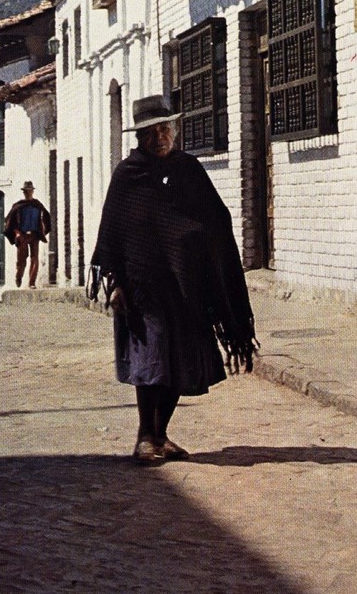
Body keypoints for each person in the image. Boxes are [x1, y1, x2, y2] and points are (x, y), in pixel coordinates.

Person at [91, 95, 258, 464]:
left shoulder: (188, 170)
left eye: (166, 129)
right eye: (151, 132)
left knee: (180, 361)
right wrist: (116, 282)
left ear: (175, 130)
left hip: (187, 285)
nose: (160, 137)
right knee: (152, 362)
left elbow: (215, 218)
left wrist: (205, 251)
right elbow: (114, 232)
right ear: (140, 137)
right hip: (142, 289)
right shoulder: (128, 175)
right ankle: (144, 437)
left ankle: (161, 435)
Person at [4, 181, 52, 289]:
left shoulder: (37, 205)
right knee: (22, 260)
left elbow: (46, 216)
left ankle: (32, 282)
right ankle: (18, 276)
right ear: (24, 192)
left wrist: (43, 230)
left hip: (35, 235)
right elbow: (10, 222)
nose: (28, 193)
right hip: (22, 235)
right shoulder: (18, 206)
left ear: (32, 192)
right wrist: (17, 234)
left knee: (34, 258)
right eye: (26, 191)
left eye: (30, 191)